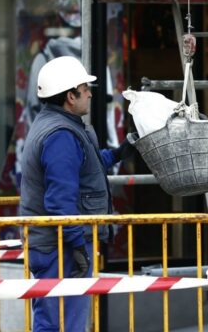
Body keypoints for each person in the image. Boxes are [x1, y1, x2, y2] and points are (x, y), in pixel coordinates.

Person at [20, 56, 133, 331]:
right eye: (85, 88)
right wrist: (78, 247)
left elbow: (84, 166)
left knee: (51, 320)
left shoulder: (58, 125)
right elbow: (60, 202)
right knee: (64, 323)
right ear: (70, 96)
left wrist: (117, 155)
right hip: (62, 248)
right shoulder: (60, 135)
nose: (90, 94)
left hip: (55, 245)